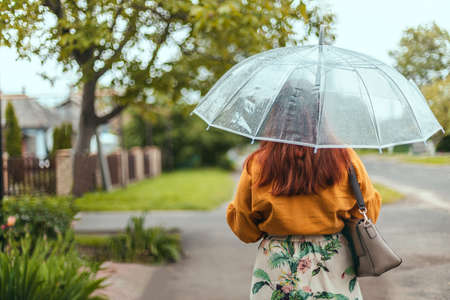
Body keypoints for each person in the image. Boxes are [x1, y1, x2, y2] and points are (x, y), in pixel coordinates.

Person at [226, 142, 381, 300]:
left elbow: (244, 228)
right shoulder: (344, 157)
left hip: (278, 262)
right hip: (331, 257)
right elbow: (368, 209)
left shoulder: (258, 162)